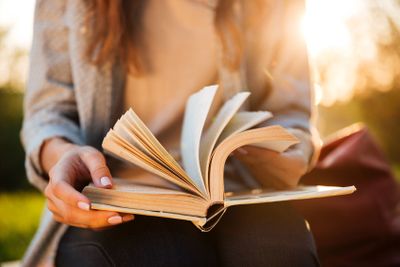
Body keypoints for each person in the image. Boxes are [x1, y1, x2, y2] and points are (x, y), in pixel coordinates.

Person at [21, 0, 320, 266]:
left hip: (237, 190)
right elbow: (48, 113)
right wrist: (62, 155)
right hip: (118, 193)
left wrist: (291, 151)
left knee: (279, 253)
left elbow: (293, 110)